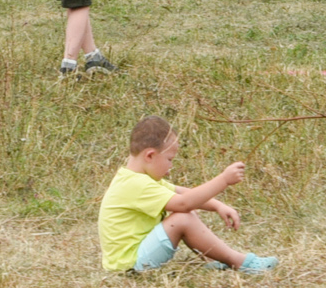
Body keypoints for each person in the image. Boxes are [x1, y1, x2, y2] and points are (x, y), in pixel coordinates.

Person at [97, 114, 276, 277]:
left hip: (129, 260)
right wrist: (224, 180)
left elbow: (183, 193)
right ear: (150, 155)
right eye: (169, 159)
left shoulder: (137, 178)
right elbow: (184, 203)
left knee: (188, 212)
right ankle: (241, 262)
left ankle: (213, 259)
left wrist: (217, 206)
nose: (170, 167)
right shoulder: (136, 184)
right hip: (130, 265)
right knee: (183, 217)